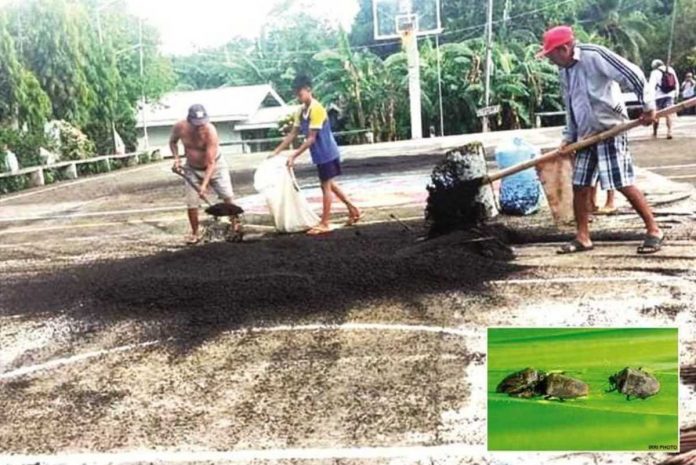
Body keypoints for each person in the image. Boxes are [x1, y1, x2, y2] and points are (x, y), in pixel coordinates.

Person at [537, 25, 664, 254]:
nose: (550, 60)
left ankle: (654, 229)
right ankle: (583, 237)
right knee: (580, 186)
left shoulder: (594, 55)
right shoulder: (564, 70)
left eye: (551, 55)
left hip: (611, 129)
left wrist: (648, 107)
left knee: (621, 181)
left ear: (564, 49)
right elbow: (570, 106)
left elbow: (632, 73)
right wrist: (569, 137)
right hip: (586, 135)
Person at [270, 74, 361, 235]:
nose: (299, 97)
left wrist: (293, 156)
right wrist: (276, 151)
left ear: (309, 90)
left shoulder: (317, 109)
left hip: (327, 152)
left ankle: (325, 222)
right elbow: (293, 134)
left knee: (325, 186)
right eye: (297, 95)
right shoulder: (300, 111)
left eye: (300, 94)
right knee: (329, 184)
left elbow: (311, 138)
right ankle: (353, 208)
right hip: (319, 154)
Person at [169, 104, 239, 244]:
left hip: (216, 166)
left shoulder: (210, 131)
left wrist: (204, 185)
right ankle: (195, 232)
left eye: (202, 123)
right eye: (196, 124)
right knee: (191, 203)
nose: (200, 127)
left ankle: (235, 226)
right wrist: (176, 159)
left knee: (228, 197)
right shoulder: (180, 127)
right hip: (192, 169)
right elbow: (172, 142)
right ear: (189, 120)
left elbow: (211, 163)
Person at [648, 59, 679, 139]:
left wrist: (650, 98)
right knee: (669, 113)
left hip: (658, 96)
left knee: (656, 114)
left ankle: (655, 133)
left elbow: (651, 86)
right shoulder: (670, 69)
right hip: (670, 95)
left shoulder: (654, 72)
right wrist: (676, 94)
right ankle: (669, 131)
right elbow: (676, 82)